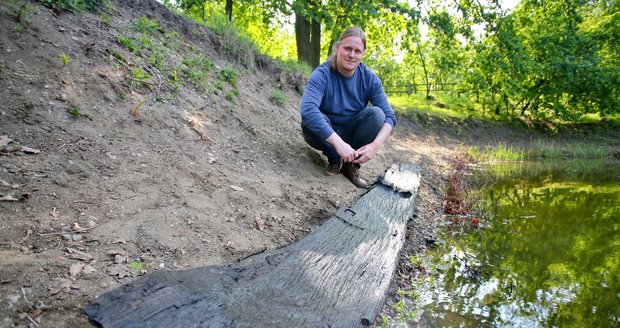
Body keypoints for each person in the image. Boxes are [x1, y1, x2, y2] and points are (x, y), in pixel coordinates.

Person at [300, 26, 396, 189]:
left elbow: (390, 117)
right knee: (311, 118)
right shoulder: (322, 74)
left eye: (357, 51)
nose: (352, 55)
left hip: (352, 133)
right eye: (347, 49)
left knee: (377, 115)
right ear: (337, 48)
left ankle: (350, 165)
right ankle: (334, 158)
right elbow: (307, 110)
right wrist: (338, 144)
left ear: (363, 54)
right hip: (324, 134)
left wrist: (375, 146)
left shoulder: (369, 78)